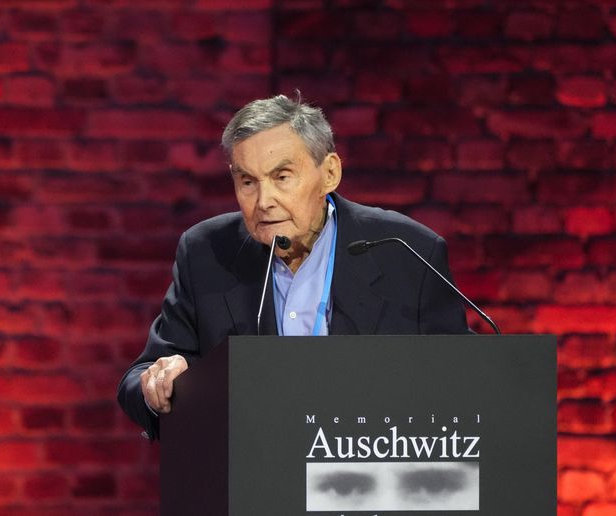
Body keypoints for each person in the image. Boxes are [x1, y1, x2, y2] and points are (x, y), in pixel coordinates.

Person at [117, 94, 469, 440]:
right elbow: (139, 378)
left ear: (329, 173)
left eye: (282, 177)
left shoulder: (407, 253)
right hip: (252, 480)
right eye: (248, 182)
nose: (264, 201)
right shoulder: (205, 252)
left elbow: (464, 381)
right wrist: (160, 384)